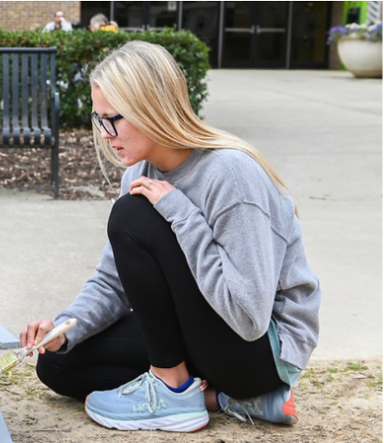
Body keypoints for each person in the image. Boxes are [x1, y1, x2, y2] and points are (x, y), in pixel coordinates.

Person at [20, 41, 320, 433]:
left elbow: (249, 317)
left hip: (264, 352)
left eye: (113, 119)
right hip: (206, 333)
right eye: (99, 120)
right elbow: (113, 281)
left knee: (131, 214)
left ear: (152, 109)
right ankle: (224, 398)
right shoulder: (140, 173)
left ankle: (173, 387)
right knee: (58, 362)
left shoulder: (229, 174)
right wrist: (64, 327)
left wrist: (183, 215)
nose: (106, 134)